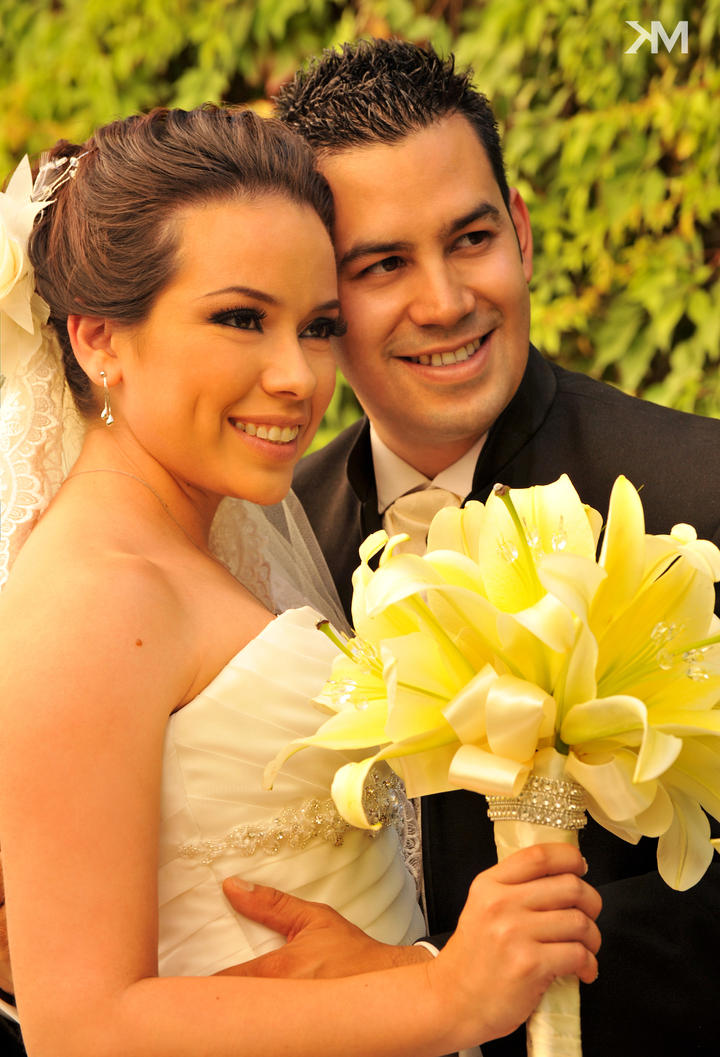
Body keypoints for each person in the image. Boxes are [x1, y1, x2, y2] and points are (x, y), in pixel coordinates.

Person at [0, 105, 602, 1057]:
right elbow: (82, 1026)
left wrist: (422, 973)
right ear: (97, 340)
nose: (299, 377)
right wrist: (446, 996)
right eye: (241, 319)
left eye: (319, 325)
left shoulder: (218, 548)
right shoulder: (94, 592)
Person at [263, 39, 718, 1057]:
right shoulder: (270, 533)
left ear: (519, 229)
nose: (445, 300)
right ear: (320, 297)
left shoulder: (699, 493)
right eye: (383, 264)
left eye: (470, 239)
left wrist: (433, 984)